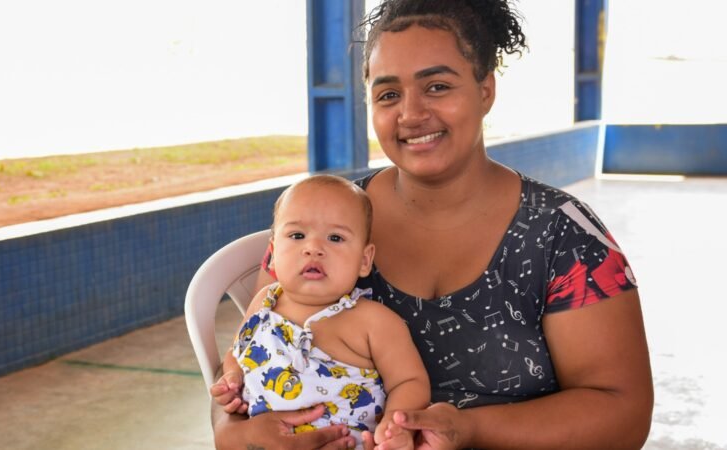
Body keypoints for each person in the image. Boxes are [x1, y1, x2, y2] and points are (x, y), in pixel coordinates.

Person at [211, 1, 654, 448]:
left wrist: (469, 428)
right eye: (388, 95)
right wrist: (238, 435)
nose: (411, 114)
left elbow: (623, 413)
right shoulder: (326, 220)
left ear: (485, 90)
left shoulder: (562, 235)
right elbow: (248, 357)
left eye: (437, 86)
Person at [210, 174, 430, 449]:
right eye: (297, 235)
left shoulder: (373, 321)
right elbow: (237, 354)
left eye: (335, 238)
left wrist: (395, 426)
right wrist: (232, 379)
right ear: (274, 252)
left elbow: (410, 381)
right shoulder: (264, 302)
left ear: (364, 261)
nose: (313, 248)